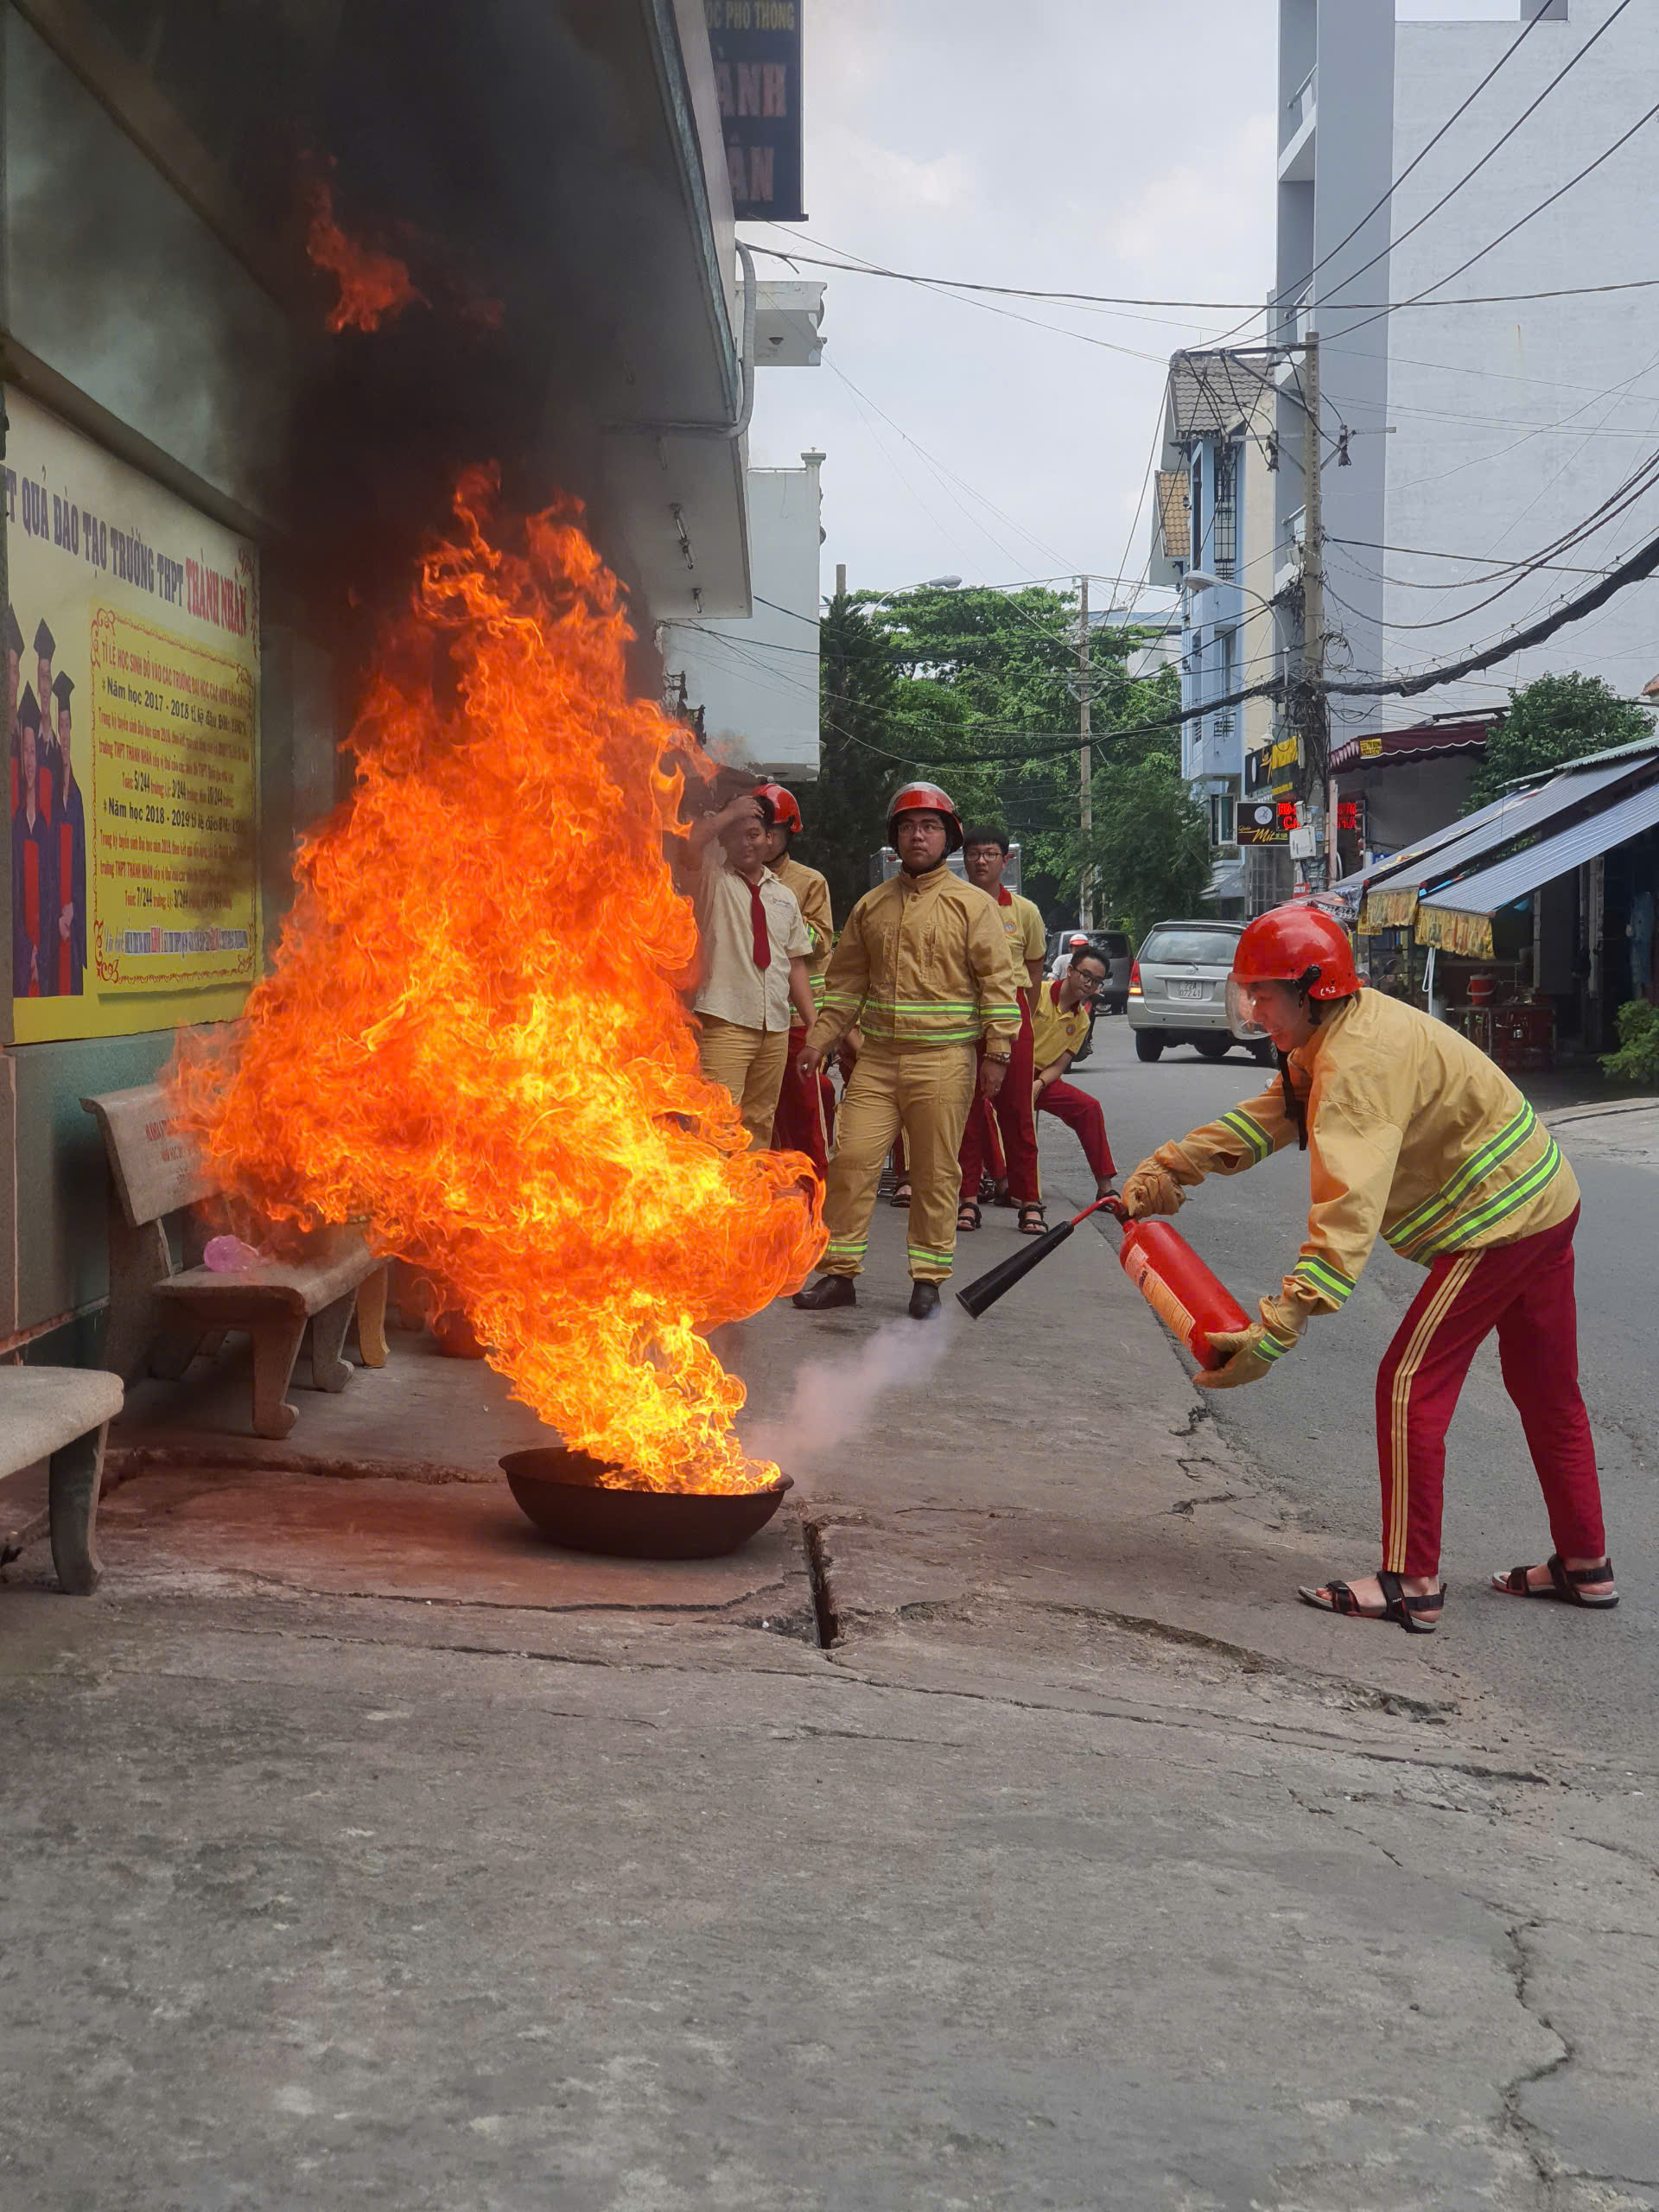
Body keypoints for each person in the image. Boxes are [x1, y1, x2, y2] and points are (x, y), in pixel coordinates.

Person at [1121, 902, 1611, 1636]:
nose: (1252, 1008)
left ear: (1313, 991)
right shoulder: (1343, 1027)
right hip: (1545, 1195)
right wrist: (1174, 1166)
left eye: (1263, 993)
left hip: (1498, 1222)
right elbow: (1274, 1113)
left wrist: (1282, 1322)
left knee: (1410, 1383)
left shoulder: (1355, 1067)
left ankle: (1411, 1582)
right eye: (1248, 992)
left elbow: (1345, 1209)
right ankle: (1585, 1566)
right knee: (1546, 1388)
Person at [792, 782, 1020, 1320]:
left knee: (936, 1173)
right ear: (895, 838)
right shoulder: (871, 907)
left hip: (945, 1062)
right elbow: (845, 985)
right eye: (908, 827)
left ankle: (928, 1282)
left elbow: (998, 982)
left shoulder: (972, 906)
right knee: (849, 1161)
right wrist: (819, 1040)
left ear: (949, 838)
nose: (918, 835)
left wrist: (998, 1053)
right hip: (877, 1060)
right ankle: (840, 1273)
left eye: (930, 827)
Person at [685, 789, 815, 1151]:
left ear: (769, 838)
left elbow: (795, 963)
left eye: (754, 834)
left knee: (760, 1121)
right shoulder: (711, 881)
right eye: (737, 835)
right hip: (725, 1020)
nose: (746, 843)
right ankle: (713, 1205)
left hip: (774, 1026)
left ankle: (748, 1204)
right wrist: (730, 813)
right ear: (725, 840)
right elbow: (690, 847)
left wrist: (814, 1026)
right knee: (717, 1124)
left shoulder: (784, 895)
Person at [956, 823, 1047, 1236]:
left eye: (990, 853)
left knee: (1016, 1112)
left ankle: (1029, 1201)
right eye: (974, 853)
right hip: (962, 1017)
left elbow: (1033, 972)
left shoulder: (1024, 911)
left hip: (1012, 1017)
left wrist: (1020, 1021)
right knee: (967, 1113)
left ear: (1004, 860)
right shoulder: (953, 904)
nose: (980, 861)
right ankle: (967, 1200)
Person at [752, 780, 835, 1175]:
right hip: (752, 1016)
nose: (765, 840)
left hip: (797, 1020)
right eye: (756, 830)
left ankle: (813, 1199)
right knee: (757, 1117)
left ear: (788, 833)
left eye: (773, 831)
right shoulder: (731, 878)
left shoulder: (808, 882)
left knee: (804, 1114)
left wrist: (781, 916)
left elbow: (820, 943)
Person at [1030, 942, 1117, 1199]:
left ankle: (1105, 1189)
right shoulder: (1039, 993)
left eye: (1097, 981)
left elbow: (1061, 1063)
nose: (1089, 984)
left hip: (1043, 1080)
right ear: (1070, 970)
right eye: (1085, 975)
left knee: (1088, 1108)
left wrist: (1039, 1084)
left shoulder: (1082, 1020)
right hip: (1012, 1072)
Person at [11, 686, 54, 998]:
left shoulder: (44, 829)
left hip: (45, 959)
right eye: (24, 750)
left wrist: (41, 953)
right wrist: (27, 951)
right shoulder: (13, 826)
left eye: (32, 751)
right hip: (18, 957)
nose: (28, 759)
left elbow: (50, 900)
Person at [51, 671, 86, 996]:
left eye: (67, 726)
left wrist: (73, 907)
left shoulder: (76, 798)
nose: (63, 734)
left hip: (72, 928)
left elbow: (81, 867)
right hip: (50, 927)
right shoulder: (46, 794)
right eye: (59, 726)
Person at [32, 619, 56, 823]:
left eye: (48, 677)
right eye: (42, 678)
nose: (46, 687)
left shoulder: (59, 751)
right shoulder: (29, 744)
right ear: (38, 685)